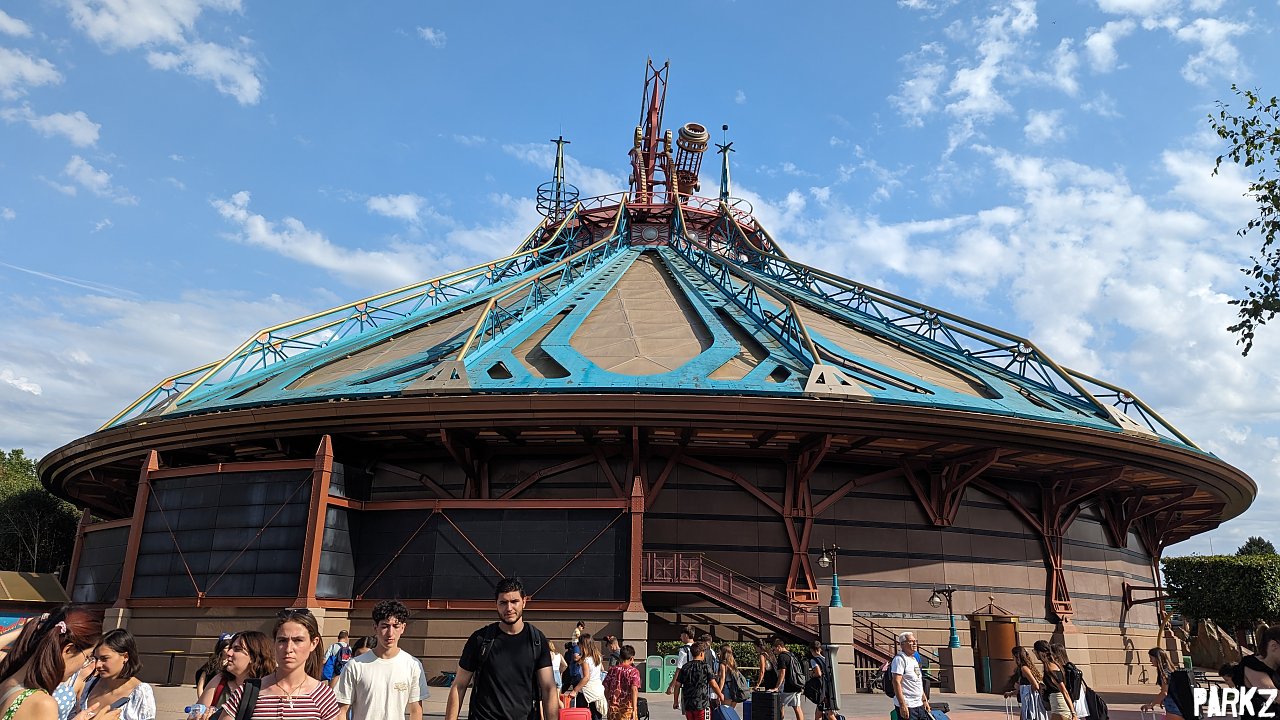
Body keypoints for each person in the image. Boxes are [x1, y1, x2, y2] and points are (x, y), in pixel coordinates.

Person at [446, 577, 558, 720]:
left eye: (514, 601)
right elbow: (459, 686)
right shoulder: (480, 639)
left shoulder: (537, 640)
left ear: (524, 602)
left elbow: (548, 688)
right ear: (496, 604)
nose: (509, 608)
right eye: (503, 603)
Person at [222, 609, 340, 720]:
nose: (288, 649)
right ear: (274, 643)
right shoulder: (249, 692)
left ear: (313, 643)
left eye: (298, 640)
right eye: (282, 640)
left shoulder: (322, 696)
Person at [0, 606, 114, 720]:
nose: (83, 665)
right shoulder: (42, 703)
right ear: (69, 650)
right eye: (87, 657)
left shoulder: (9, 678)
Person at [334, 600, 427, 720]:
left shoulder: (413, 665)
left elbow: (416, 710)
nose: (390, 633)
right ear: (375, 627)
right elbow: (341, 710)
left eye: (396, 626)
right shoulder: (355, 665)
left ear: (403, 628)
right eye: (385, 626)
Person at [193, 631, 274, 719]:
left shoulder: (269, 688)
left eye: (237, 649)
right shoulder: (219, 681)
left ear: (253, 657)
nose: (229, 653)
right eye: (230, 648)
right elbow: (196, 713)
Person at [77, 630, 154, 720]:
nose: (98, 665)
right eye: (96, 658)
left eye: (104, 658)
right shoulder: (90, 685)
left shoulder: (140, 692)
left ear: (125, 657)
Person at [671, 642, 718, 720]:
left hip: (688, 704)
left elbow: (677, 685)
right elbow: (713, 684)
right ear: (701, 654)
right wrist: (720, 695)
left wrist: (675, 701)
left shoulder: (685, 667)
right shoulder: (705, 667)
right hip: (702, 703)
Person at [890, 632, 930, 720]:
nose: (915, 643)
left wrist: (924, 700)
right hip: (908, 706)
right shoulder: (899, 659)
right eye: (911, 641)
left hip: (919, 704)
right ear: (902, 644)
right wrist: (902, 705)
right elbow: (896, 681)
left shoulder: (914, 659)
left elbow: (918, 681)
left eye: (915, 641)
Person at [1032, 640, 1075, 720]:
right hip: (1056, 705)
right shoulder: (1050, 665)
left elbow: (1064, 690)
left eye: (1035, 651)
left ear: (1040, 652)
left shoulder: (1051, 667)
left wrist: (1073, 713)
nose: (1034, 653)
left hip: (1059, 706)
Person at [1003, 646, 1046, 720]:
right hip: (1028, 701)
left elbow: (1035, 685)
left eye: (1013, 656)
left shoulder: (1024, 669)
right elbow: (1026, 686)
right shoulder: (1024, 668)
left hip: (1029, 702)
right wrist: (1011, 693)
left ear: (1016, 656)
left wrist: (1028, 693)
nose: (1012, 658)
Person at [571, 634, 606, 720]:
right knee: (596, 715)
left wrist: (575, 690)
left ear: (583, 645)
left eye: (579, 643)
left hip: (586, 690)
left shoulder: (586, 660)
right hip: (597, 689)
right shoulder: (598, 657)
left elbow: (586, 677)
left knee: (581, 715)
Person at [1049, 643, 1087, 719]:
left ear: (1055, 654)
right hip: (1075, 698)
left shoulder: (1060, 669)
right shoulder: (1070, 667)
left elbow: (1063, 689)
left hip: (1065, 700)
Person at [771, 636, 804, 720]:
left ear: (779, 647)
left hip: (787, 686)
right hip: (796, 684)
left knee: (779, 705)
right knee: (797, 707)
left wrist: (777, 687)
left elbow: (782, 673)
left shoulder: (782, 657)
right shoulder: (791, 655)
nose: (774, 652)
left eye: (774, 649)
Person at [603, 646, 640, 720]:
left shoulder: (612, 670)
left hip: (613, 709)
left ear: (620, 657)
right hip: (627, 709)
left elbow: (606, 688)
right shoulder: (633, 671)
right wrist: (634, 709)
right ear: (631, 658)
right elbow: (634, 689)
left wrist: (609, 702)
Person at [194, 634, 233, 701]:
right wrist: (201, 701)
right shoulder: (211, 664)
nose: (229, 650)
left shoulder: (233, 664)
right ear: (221, 649)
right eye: (226, 648)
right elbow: (201, 685)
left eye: (231, 648)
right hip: (210, 697)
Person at [805, 640, 836, 720]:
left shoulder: (814, 660)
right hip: (829, 687)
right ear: (820, 649)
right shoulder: (825, 659)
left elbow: (818, 673)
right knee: (819, 712)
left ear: (811, 650)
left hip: (822, 689)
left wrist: (812, 675)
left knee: (829, 713)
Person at [715, 644, 748, 709]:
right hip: (735, 689)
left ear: (723, 652)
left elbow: (722, 679)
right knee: (731, 710)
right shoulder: (733, 663)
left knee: (725, 710)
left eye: (719, 651)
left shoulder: (723, 664)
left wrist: (719, 693)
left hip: (727, 688)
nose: (718, 653)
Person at [666, 627, 695, 697]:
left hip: (687, 682)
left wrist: (671, 686)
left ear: (686, 635)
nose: (680, 637)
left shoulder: (683, 650)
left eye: (681, 635)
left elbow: (679, 669)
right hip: (698, 682)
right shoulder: (699, 648)